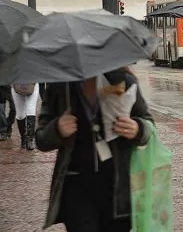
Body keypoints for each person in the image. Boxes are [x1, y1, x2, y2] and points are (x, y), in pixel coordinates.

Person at [36, 67, 153, 232]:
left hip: (118, 188)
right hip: (76, 187)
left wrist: (137, 128)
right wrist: (57, 129)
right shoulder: (60, 84)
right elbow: (41, 138)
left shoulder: (123, 80)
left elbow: (148, 124)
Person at [11, 83, 39, 150]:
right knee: (20, 115)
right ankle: (23, 139)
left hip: (32, 85)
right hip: (16, 86)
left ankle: (30, 140)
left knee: (31, 110)